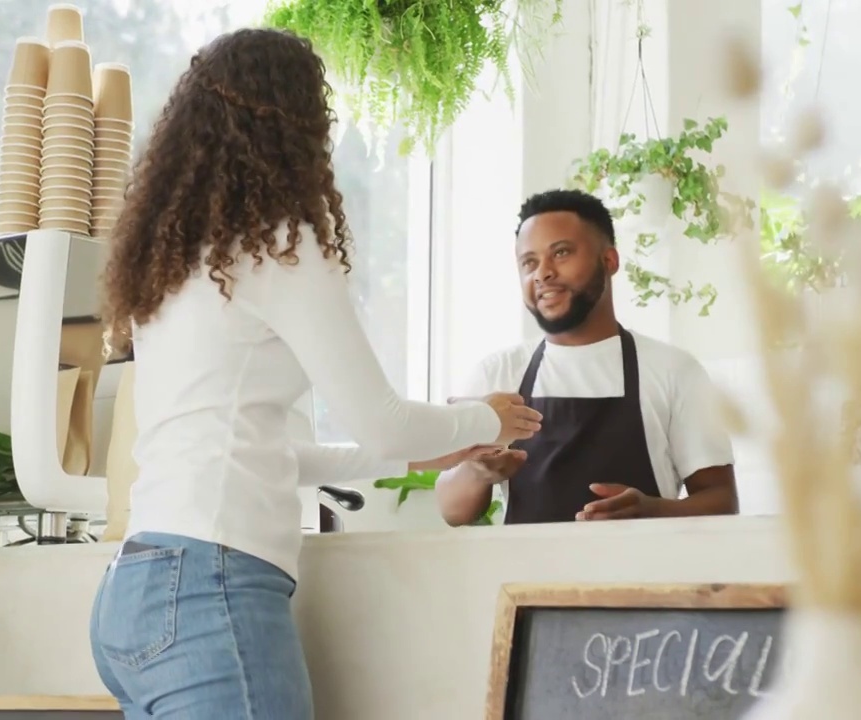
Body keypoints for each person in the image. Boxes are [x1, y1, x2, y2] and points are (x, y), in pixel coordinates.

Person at [89, 29, 542, 720]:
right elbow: (380, 418)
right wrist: (487, 417)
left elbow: (269, 453)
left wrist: (438, 446)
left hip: (135, 590)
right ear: (297, 125)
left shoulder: (174, 263)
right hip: (210, 590)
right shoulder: (279, 246)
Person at [434, 188, 737, 526]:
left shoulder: (674, 370)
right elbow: (453, 511)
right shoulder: (499, 372)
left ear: (609, 261)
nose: (542, 273)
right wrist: (477, 472)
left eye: (561, 253)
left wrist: (653, 511)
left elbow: (722, 500)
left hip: (644, 576)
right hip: (523, 578)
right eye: (529, 262)